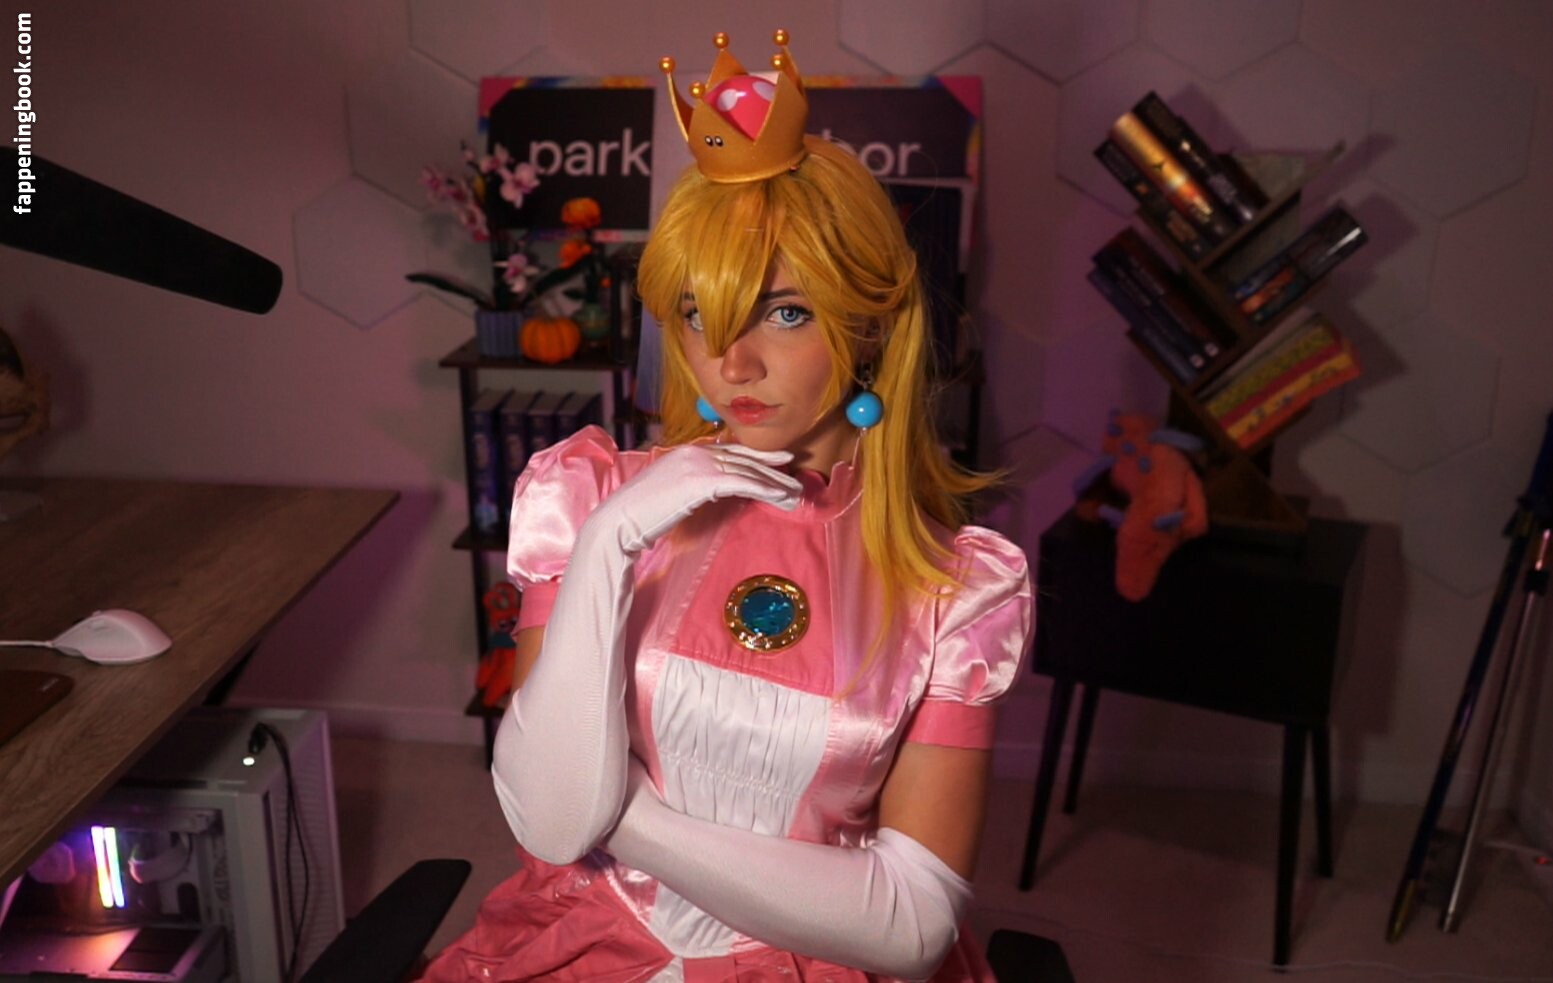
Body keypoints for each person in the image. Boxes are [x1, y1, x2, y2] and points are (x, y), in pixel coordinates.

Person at [418, 30, 1033, 983]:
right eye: (699, 313)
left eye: (783, 312)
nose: (729, 361)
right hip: (584, 945)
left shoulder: (957, 592)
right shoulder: (588, 499)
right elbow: (542, 825)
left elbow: (911, 927)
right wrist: (609, 543)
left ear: (868, 324)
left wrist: (618, 813)